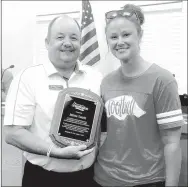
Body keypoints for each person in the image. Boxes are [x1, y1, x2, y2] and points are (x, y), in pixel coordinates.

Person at [3, 15, 103, 187]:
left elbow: (102, 127)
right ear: (47, 42)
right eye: (60, 37)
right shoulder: (28, 78)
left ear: (80, 43)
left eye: (74, 38)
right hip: (42, 178)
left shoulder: (96, 78)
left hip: (88, 177)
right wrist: (54, 152)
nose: (67, 43)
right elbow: (13, 133)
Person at [93, 4, 184, 187]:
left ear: (140, 35)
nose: (119, 41)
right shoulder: (106, 82)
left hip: (147, 180)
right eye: (113, 37)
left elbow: (172, 143)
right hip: (103, 178)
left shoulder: (162, 80)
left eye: (126, 34)